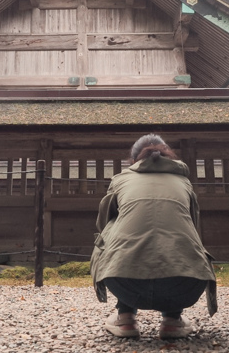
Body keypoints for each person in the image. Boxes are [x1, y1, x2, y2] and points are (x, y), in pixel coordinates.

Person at [90, 134, 217, 339]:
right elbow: (193, 224)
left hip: (124, 282)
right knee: (181, 232)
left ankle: (125, 318)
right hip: (185, 284)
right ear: (168, 156)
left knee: (111, 230)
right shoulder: (183, 181)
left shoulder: (121, 179)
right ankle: (172, 320)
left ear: (133, 161)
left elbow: (102, 222)